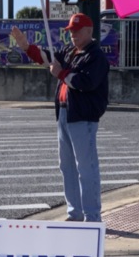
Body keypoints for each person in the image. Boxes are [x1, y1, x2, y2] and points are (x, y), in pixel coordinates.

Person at [10, 13, 109, 222]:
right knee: (67, 167)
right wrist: (27, 47)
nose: (72, 34)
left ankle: (92, 216)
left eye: (76, 31)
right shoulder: (70, 51)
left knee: (86, 167)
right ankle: (75, 212)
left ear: (89, 31)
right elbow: (48, 59)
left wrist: (62, 74)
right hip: (65, 112)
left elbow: (87, 83)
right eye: (71, 31)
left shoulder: (96, 56)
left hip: (83, 116)